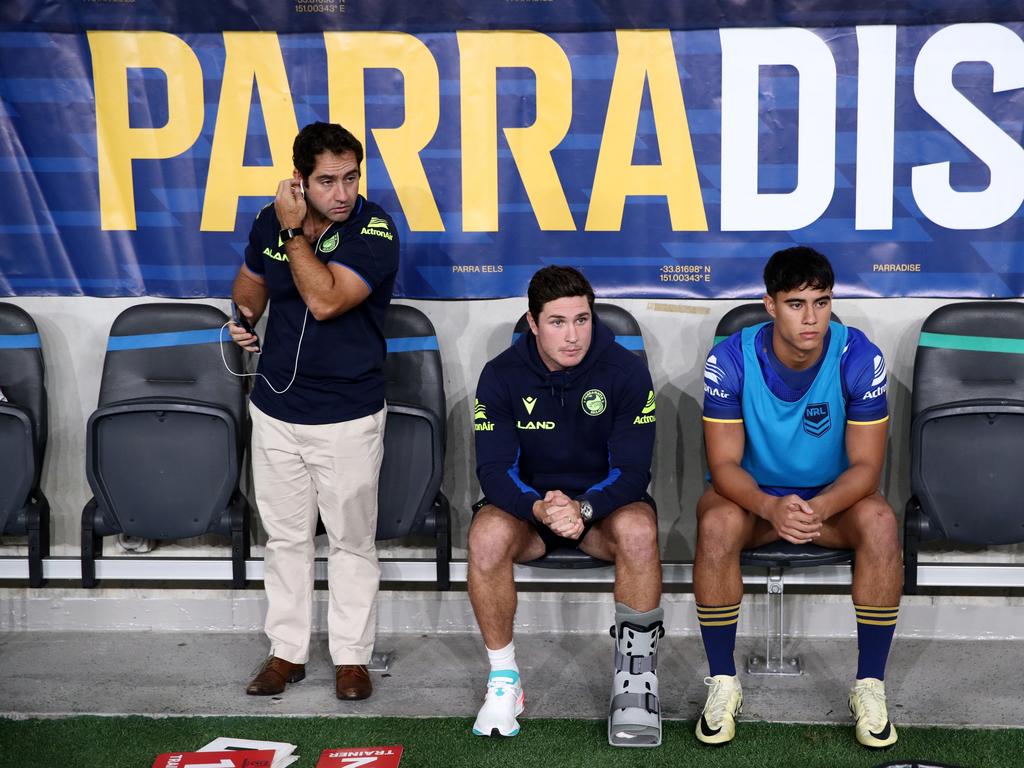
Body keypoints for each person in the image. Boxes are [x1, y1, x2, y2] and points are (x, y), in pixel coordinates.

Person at [694, 246, 901, 748]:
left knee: (880, 520)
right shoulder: (730, 357)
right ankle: (723, 682)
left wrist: (818, 509)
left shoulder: (858, 355)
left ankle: (869, 684)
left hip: (831, 503)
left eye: (822, 302)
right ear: (769, 304)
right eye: (796, 304)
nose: (811, 318)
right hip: (754, 503)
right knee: (715, 522)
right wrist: (770, 507)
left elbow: (867, 469)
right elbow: (722, 467)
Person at [228, 122, 399, 702]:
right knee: (284, 540)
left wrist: (295, 231)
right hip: (276, 410)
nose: (343, 192)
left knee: (352, 541)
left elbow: (325, 300)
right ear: (300, 179)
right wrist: (244, 320)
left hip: (347, 416)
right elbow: (250, 284)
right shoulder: (267, 220)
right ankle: (286, 654)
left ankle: (351, 659)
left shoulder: (374, 229)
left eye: (351, 177)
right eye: (328, 180)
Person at [468, 266, 663, 747]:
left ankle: (635, 683)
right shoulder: (500, 375)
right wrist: (539, 508)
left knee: (640, 530)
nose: (572, 335)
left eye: (582, 319)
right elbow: (494, 472)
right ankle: (504, 681)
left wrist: (585, 508)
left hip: (601, 513)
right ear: (532, 323)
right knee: (486, 534)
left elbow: (634, 472)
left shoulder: (626, 371)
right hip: (529, 514)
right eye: (557, 322)